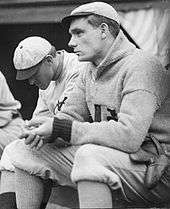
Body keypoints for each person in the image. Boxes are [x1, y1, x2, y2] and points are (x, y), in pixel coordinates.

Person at [1, 1, 170, 208]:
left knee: (89, 155)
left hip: (157, 167)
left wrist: (62, 128)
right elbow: (68, 117)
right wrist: (44, 130)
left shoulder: (141, 65)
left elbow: (130, 136)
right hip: (119, 159)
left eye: (78, 33)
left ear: (103, 30)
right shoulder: (89, 70)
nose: (71, 42)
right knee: (23, 150)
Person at [0, 36, 87, 209]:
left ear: (49, 60)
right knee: (13, 150)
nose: (31, 82)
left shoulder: (78, 69)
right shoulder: (48, 83)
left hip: (82, 139)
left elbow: (68, 120)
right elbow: (38, 119)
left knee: (23, 151)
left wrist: (41, 128)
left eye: (33, 75)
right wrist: (34, 129)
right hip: (60, 138)